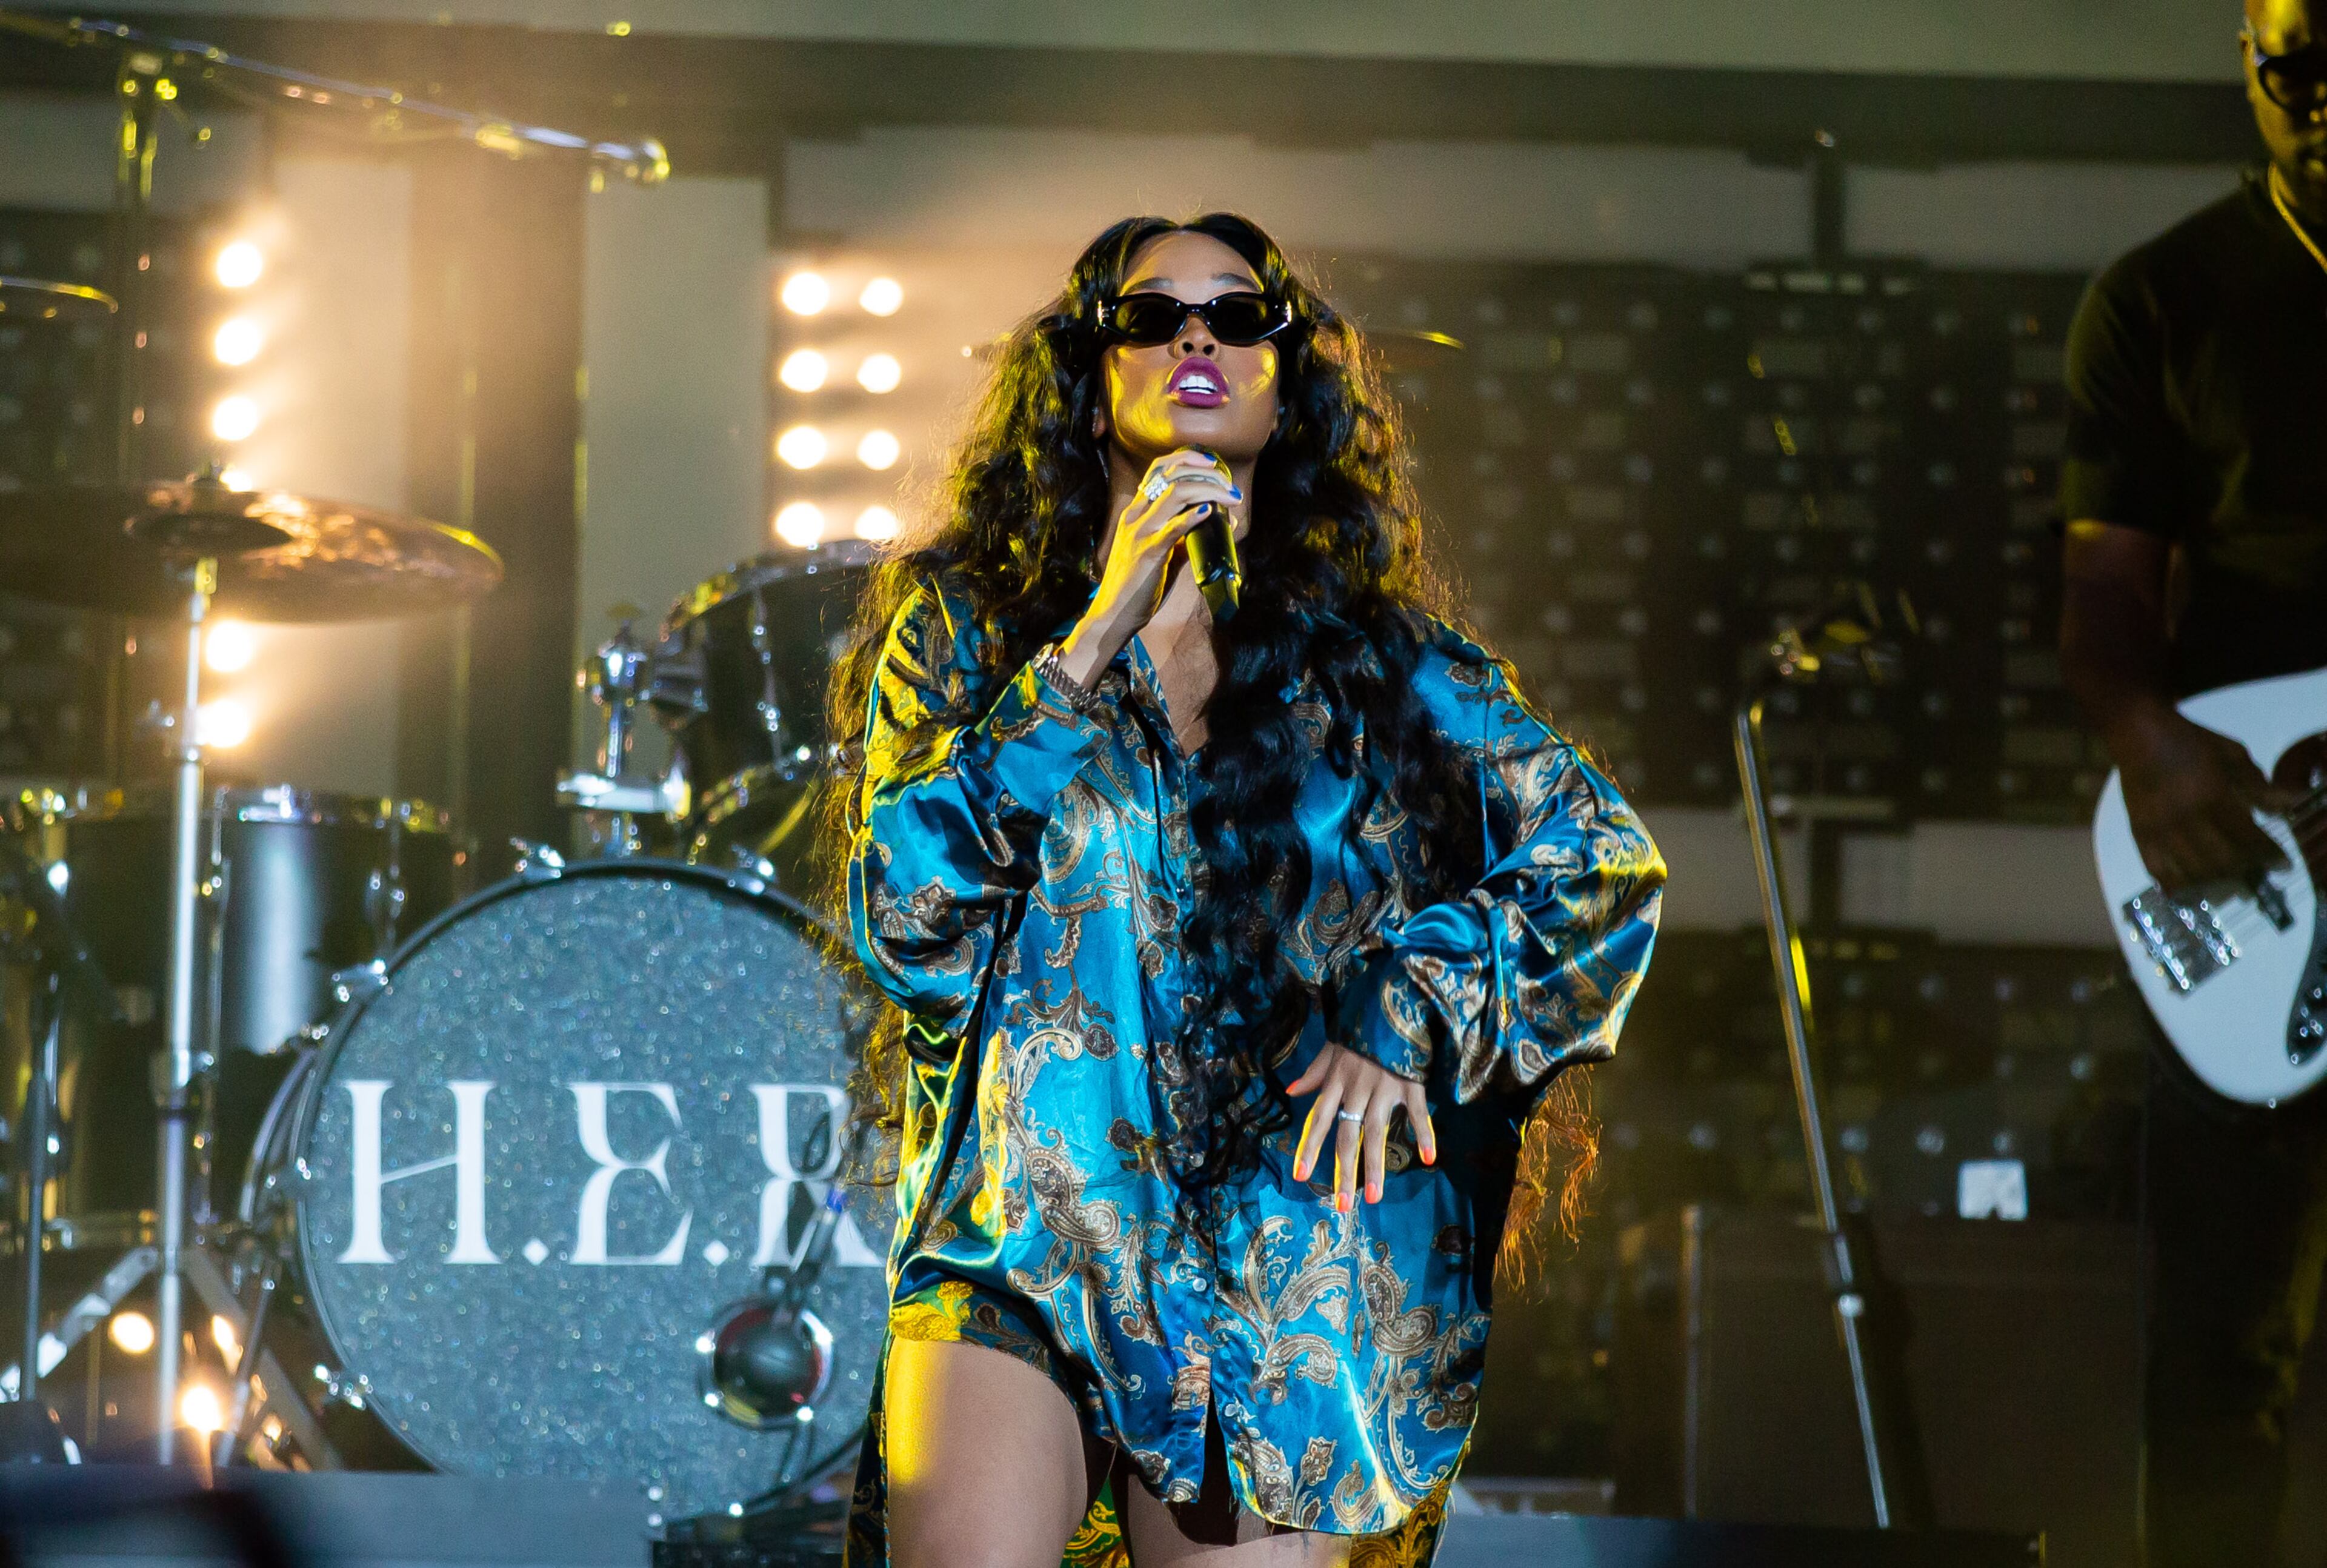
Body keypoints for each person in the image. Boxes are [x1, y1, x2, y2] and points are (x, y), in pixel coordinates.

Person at [816, 213, 1664, 1567]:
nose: (1196, 336)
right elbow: (905, 910)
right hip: (1023, 1233)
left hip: (1285, 1270)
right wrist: (1091, 638)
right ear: (1090, 378)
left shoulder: (1395, 672)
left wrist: (1411, 1002)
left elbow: (1601, 864)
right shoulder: (970, 627)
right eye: (1152, 318)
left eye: (1237, 313)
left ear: (1289, 378)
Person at [2059, 2, 2327, 1561]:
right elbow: (2102, 611)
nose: (2317, 97)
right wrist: (2148, 741)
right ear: (2246, 57)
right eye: (2292, 64)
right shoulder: (2165, 298)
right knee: (2222, 1344)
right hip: (2255, 857)